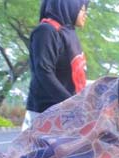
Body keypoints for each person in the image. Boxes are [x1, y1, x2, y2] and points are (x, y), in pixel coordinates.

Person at [22, 0, 89, 130]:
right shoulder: (46, 31)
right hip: (44, 114)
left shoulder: (69, 34)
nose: (85, 14)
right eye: (82, 9)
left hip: (66, 113)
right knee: (39, 150)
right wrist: (73, 104)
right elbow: (44, 72)